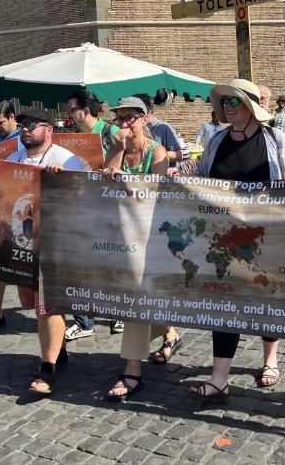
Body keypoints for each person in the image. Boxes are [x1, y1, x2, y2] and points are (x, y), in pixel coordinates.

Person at [188, 79, 285, 401]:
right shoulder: (217, 139)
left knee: (266, 297)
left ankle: (270, 360)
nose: (228, 107)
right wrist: (182, 178)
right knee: (223, 303)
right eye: (225, 102)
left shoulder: (274, 138)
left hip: (265, 233)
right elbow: (201, 176)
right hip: (223, 235)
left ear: (251, 106)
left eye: (235, 101)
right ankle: (219, 378)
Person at [0, 108, 84, 394]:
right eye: (23, 124)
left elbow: (84, 199)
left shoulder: (67, 159)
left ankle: (47, 368)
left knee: (46, 304)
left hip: (56, 243)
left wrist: (63, 181)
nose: (25, 129)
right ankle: (59, 352)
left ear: (48, 130)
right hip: (21, 244)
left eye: (32, 125)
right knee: (35, 303)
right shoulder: (12, 160)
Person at [101, 97, 183, 400]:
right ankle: (170, 333)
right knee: (144, 294)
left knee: (135, 297)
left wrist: (127, 179)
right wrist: (118, 150)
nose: (123, 124)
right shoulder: (116, 147)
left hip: (151, 236)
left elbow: (155, 191)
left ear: (145, 119)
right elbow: (108, 177)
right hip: (121, 234)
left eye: (130, 118)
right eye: (119, 118)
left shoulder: (156, 150)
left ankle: (132, 369)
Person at [62, 90, 124, 340]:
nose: (68, 114)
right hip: (82, 207)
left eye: (71, 109)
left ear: (85, 111)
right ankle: (84, 322)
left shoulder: (110, 132)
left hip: (111, 206)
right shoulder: (74, 139)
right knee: (80, 264)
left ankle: (119, 312)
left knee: (113, 262)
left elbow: (128, 163)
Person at [134, 93, 184, 167]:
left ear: (146, 110)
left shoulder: (163, 128)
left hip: (162, 173)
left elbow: (179, 155)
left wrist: (155, 154)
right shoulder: (133, 129)